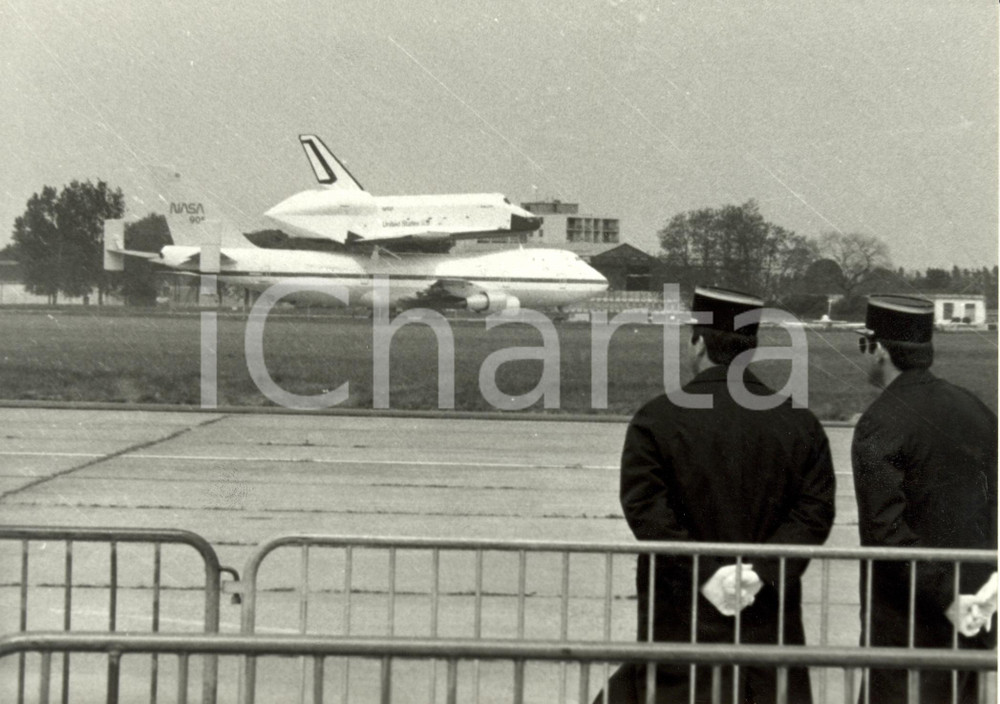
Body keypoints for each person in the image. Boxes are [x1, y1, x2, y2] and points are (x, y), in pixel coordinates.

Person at [596, 286, 836, 704]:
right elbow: (814, 513)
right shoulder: (800, 424)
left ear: (699, 342)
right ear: (751, 348)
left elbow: (647, 511)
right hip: (766, 621)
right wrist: (759, 573)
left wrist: (707, 573)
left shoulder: (657, 419)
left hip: (682, 619)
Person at [852, 294, 997, 703]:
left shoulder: (881, 421)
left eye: (864, 344)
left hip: (908, 622)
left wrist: (945, 594)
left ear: (880, 350)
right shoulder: (976, 410)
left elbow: (885, 530)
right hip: (974, 614)